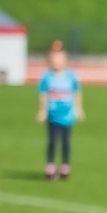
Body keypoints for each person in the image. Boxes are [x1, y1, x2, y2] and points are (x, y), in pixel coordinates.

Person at [36, 42, 84, 179]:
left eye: (59, 60)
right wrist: (42, 110)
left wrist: (79, 109)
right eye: (54, 60)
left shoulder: (71, 76)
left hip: (67, 115)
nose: (57, 63)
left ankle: (65, 166)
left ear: (65, 61)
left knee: (66, 141)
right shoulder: (47, 77)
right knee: (52, 141)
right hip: (52, 114)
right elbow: (43, 94)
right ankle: (50, 166)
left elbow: (77, 92)